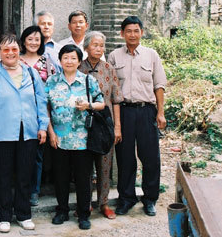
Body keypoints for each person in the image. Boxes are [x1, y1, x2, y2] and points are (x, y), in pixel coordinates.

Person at [0, 33, 49, 233]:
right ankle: (4, 215)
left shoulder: (30, 73)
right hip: (2, 133)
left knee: (24, 175)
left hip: (28, 132)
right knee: (2, 175)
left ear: (19, 51)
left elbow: (41, 100)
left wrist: (42, 126)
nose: (10, 53)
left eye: (14, 49)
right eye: (6, 50)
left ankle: (24, 214)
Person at [108, 16, 167, 217]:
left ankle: (150, 199)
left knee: (150, 157)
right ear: (122, 33)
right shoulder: (114, 56)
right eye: (128, 31)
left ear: (142, 32)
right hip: (123, 111)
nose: (132, 34)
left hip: (146, 111)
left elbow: (159, 85)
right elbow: (111, 88)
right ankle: (126, 199)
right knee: (125, 158)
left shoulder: (151, 55)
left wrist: (160, 113)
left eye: (136, 30)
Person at [46, 44, 105, 230]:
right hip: (59, 138)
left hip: (82, 139)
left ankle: (83, 214)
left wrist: (88, 105)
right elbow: (45, 109)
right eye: (65, 57)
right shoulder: (52, 81)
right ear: (60, 60)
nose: (69, 61)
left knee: (83, 178)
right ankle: (62, 210)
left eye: (73, 58)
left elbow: (101, 104)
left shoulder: (88, 81)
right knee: (61, 177)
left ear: (79, 61)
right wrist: (51, 133)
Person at [79, 31, 124, 219]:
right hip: (83, 124)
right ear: (86, 47)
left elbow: (116, 100)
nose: (98, 48)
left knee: (104, 165)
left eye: (101, 45)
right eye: (95, 45)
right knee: (85, 166)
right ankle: (85, 203)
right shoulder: (78, 67)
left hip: (105, 124)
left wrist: (117, 127)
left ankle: (103, 203)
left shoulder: (108, 68)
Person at [19, 25, 55, 207]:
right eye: (30, 39)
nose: (33, 42)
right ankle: (19, 189)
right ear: (24, 40)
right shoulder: (15, 60)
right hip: (17, 114)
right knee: (18, 154)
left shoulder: (47, 61)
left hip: (40, 114)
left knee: (37, 155)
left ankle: (34, 190)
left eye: (37, 39)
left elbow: (54, 88)